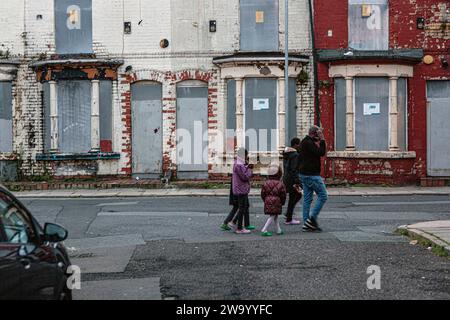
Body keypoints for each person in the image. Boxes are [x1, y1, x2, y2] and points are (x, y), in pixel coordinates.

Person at [299, 125, 328, 232]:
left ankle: (307, 223)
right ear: (314, 134)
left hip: (304, 174)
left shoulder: (305, 142)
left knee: (307, 199)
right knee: (323, 196)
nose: (319, 137)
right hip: (311, 175)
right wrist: (323, 139)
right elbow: (321, 152)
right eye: (318, 134)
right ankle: (310, 220)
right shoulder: (308, 143)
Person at [231, 147, 254, 234]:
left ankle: (235, 223)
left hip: (240, 188)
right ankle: (239, 228)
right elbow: (245, 176)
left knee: (243, 207)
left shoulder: (239, 163)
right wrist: (250, 169)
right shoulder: (239, 164)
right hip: (241, 188)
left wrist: (247, 166)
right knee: (242, 208)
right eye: (246, 155)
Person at [260, 164, 287, 236]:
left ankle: (278, 229)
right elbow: (283, 195)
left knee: (275, 215)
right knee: (272, 216)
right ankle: (264, 229)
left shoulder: (266, 183)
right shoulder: (280, 184)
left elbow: (262, 194)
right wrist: (282, 202)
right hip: (277, 201)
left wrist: (265, 200)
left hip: (268, 200)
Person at [283, 137, 302, 225]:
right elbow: (294, 169)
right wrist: (297, 181)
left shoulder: (287, 154)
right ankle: (288, 217)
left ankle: (288, 214)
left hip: (287, 178)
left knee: (293, 196)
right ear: (295, 144)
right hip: (293, 179)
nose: (300, 146)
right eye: (299, 144)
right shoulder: (295, 155)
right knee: (296, 196)